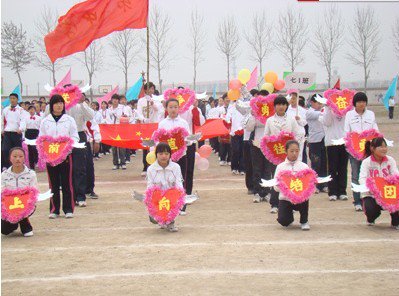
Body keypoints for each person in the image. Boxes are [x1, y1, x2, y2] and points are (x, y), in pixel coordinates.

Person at [39, 95, 79, 219]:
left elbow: (75, 136)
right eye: (56, 103)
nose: (59, 105)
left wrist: (67, 148)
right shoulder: (46, 121)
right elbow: (41, 138)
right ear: (51, 106)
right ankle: (54, 209)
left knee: (67, 182)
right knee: (53, 183)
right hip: (50, 156)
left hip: (65, 156)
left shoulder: (69, 120)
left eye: (61, 103)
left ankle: (68, 209)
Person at [264, 95, 305, 213]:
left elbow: (297, 134)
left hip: (289, 154)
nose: (281, 107)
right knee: (276, 178)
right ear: (275, 106)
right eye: (278, 104)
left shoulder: (291, 119)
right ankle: (274, 204)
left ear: (286, 106)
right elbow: (266, 137)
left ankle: (290, 203)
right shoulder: (270, 120)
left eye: (283, 104)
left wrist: (293, 147)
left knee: (289, 178)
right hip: (275, 154)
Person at [344, 92, 378, 211]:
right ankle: (357, 201)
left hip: (369, 150)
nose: (361, 104)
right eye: (359, 102)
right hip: (354, 150)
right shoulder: (349, 115)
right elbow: (346, 132)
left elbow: (375, 130)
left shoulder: (371, 114)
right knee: (355, 175)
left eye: (363, 101)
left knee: (368, 175)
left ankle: (368, 200)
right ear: (355, 103)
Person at [158, 98, 191, 215]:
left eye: (175, 107)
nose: (173, 109)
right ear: (166, 109)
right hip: (166, 158)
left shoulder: (183, 123)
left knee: (181, 180)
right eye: (170, 107)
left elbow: (188, 139)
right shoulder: (162, 123)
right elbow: (159, 140)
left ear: (179, 108)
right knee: (166, 181)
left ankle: (181, 205)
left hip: (181, 156)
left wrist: (187, 141)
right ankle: (168, 205)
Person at [359, 137, 399, 230]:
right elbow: (362, 178)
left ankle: (395, 221)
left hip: (388, 193)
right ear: (372, 148)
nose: (384, 149)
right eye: (381, 147)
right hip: (372, 194)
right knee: (371, 210)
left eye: (385, 146)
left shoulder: (390, 160)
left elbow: (396, 175)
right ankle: (371, 218)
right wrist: (373, 188)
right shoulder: (366, 162)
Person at [146, 143, 184, 232]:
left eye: (166, 154)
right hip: (158, 197)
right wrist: (150, 200)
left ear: (170, 155)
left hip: (171, 196)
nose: (164, 156)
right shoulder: (151, 169)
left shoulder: (176, 167)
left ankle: (170, 222)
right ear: (156, 155)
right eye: (161, 154)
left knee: (175, 198)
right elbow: (150, 185)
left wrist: (180, 195)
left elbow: (179, 182)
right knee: (154, 220)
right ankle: (161, 219)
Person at [275, 140, 311, 231]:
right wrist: (287, 189)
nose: (294, 153)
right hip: (285, 198)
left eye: (297, 151)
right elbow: (276, 186)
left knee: (304, 198)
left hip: (300, 198)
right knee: (284, 221)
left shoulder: (304, 166)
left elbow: (310, 184)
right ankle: (289, 216)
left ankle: (304, 221)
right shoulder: (280, 167)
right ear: (286, 151)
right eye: (291, 151)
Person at [1, 147, 38, 237]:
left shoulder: (31, 174)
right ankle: (14, 224)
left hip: (26, 204)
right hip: (9, 205)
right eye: (15, 156)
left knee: (27, 233)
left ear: (24, 158)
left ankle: (25, 224)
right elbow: (1, 191)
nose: (18, 159)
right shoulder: (4, 174)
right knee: (5, 231)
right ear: (10, 158)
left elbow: (34, 191)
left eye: (21, 156)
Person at [67, 90, 95, 207]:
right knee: (67, 168)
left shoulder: (81, 106)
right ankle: (70, 197)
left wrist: (82, 103)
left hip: (79, 136)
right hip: (65, 137)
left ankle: (80, 196)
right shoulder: (62, 105)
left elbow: (90, 116)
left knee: (80, 167)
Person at [320, 96, 349, 202]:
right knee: (332, 168)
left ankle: (342, 191)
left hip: (344, 141)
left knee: (342, 167)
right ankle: (332, 192)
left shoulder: (347, 110)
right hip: (331, 142)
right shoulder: (326, 110)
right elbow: (326, 122)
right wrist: (328, 107)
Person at [137, 82, 162, 176]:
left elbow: (158, 110)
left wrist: (152, 103)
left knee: (155, 145)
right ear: (145, 90)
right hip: (145, 125)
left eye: (152, 88)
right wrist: (143, 119)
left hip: (154, 125)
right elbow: (139, 112)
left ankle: (156, 164)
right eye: (149, 88)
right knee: (146, 145)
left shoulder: (156, 99)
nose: (150, 90)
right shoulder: (141, 101)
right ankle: (145, 165)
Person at [305, 94, 327, 193]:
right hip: (315, 141)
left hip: (324, 140)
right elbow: (321, 114)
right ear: (312, 103)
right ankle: (315, 185)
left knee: (324, 163)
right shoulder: (310, 112)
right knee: (316, 163)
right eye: (318, 103)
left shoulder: (321, 111)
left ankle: (324, 184)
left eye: (321, 103)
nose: (320, 105)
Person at [106, 94, 132, 170]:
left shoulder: (123, 108)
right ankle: (115, 163)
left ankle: (123, 163)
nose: (115, 100)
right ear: (111, 100)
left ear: (118, 100)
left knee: (121, 147)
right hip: (112, 130)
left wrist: (123, 117)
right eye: (113, 99)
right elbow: (108, 119)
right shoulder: (109, 109)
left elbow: (126, 116)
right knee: (114, 147)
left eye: (116, 99)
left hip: (121, 129)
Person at [1, 93, 26, 169]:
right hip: (7, 133)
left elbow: (23, 120)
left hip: (16, 133)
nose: (12, 100)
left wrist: (21, 129)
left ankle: (19, 166)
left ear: (17, 99)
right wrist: (1, 130)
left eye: (14, 98)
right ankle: (7, 166)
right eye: (11, 98)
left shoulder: (21, 110)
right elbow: (2, 121)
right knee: (5, 150)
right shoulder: (5, 110)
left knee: (17, 151)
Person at [286, 90, 307, 162]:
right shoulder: (287, 109)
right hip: (289, 134)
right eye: (291, 98)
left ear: (298, 99)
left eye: (294, 98)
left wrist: (299, 119)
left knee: (299, 153)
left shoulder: (302, 110)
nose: (292, 100)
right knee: (289, 153)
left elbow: (304, 123)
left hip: (299, 134)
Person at [25, 105, 42, 169]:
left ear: (35, 110)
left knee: (34, 148)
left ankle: (36, 161)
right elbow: (24, 127)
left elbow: (40, 127)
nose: (31, 111)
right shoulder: (26, 118)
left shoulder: (39, 118)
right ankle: (31, 166)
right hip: (28, 133)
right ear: (28, 111)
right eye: (30, 109)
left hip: (35, 133)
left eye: (32, 109)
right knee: (30, 150)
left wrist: (40, 135)